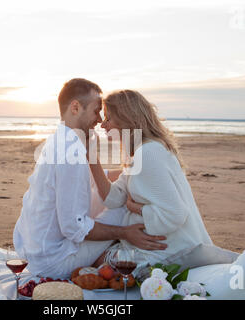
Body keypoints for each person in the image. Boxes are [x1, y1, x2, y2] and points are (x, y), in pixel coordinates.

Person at [13, 79, 167, 279]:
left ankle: (107, 251)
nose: (100, 119)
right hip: (52, 263)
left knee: (111, 193)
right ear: (75, 107)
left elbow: (94, 181)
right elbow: (74, 228)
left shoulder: (61, 139)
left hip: (32, 250)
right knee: (121, 204)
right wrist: (124, 232)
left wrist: (135, 173)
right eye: (96, 111)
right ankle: (138, 247)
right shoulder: (71, 152)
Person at [89, 89, 213, 270]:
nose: (103, 124)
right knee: (92, 254)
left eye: (108, 118)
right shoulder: (140, 152)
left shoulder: (148, 153)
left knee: (92, 259)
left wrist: (134, 207)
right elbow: (113, 199)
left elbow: (174, 214)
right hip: (157, 246)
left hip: (170, 252)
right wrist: (92, 158)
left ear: (128, 119)